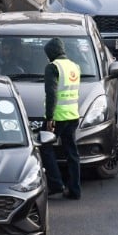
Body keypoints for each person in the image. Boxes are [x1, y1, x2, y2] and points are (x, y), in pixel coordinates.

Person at [40, 37, 82, 200]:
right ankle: (75, 190)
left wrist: (50, 118)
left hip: (57, 116)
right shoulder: (74, 66)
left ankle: (56, 184)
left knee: (45, 148)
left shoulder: (53, 67)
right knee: (72, 152)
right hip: (73, 115)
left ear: (51, 52)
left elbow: (52, 93)